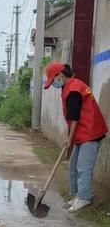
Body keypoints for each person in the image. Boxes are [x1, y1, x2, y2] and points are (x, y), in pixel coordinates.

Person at [44, 63, 108, 213]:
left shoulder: (73, 89)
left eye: (53, 80)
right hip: (83, 131)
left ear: (60, 74)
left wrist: (69, 139)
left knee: (83, 167)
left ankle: (85, 197)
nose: (53, 84)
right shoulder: (70, 86)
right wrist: (71, 138)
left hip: (91, 131)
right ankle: (77, 196)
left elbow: (74, 117)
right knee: (73, 166)